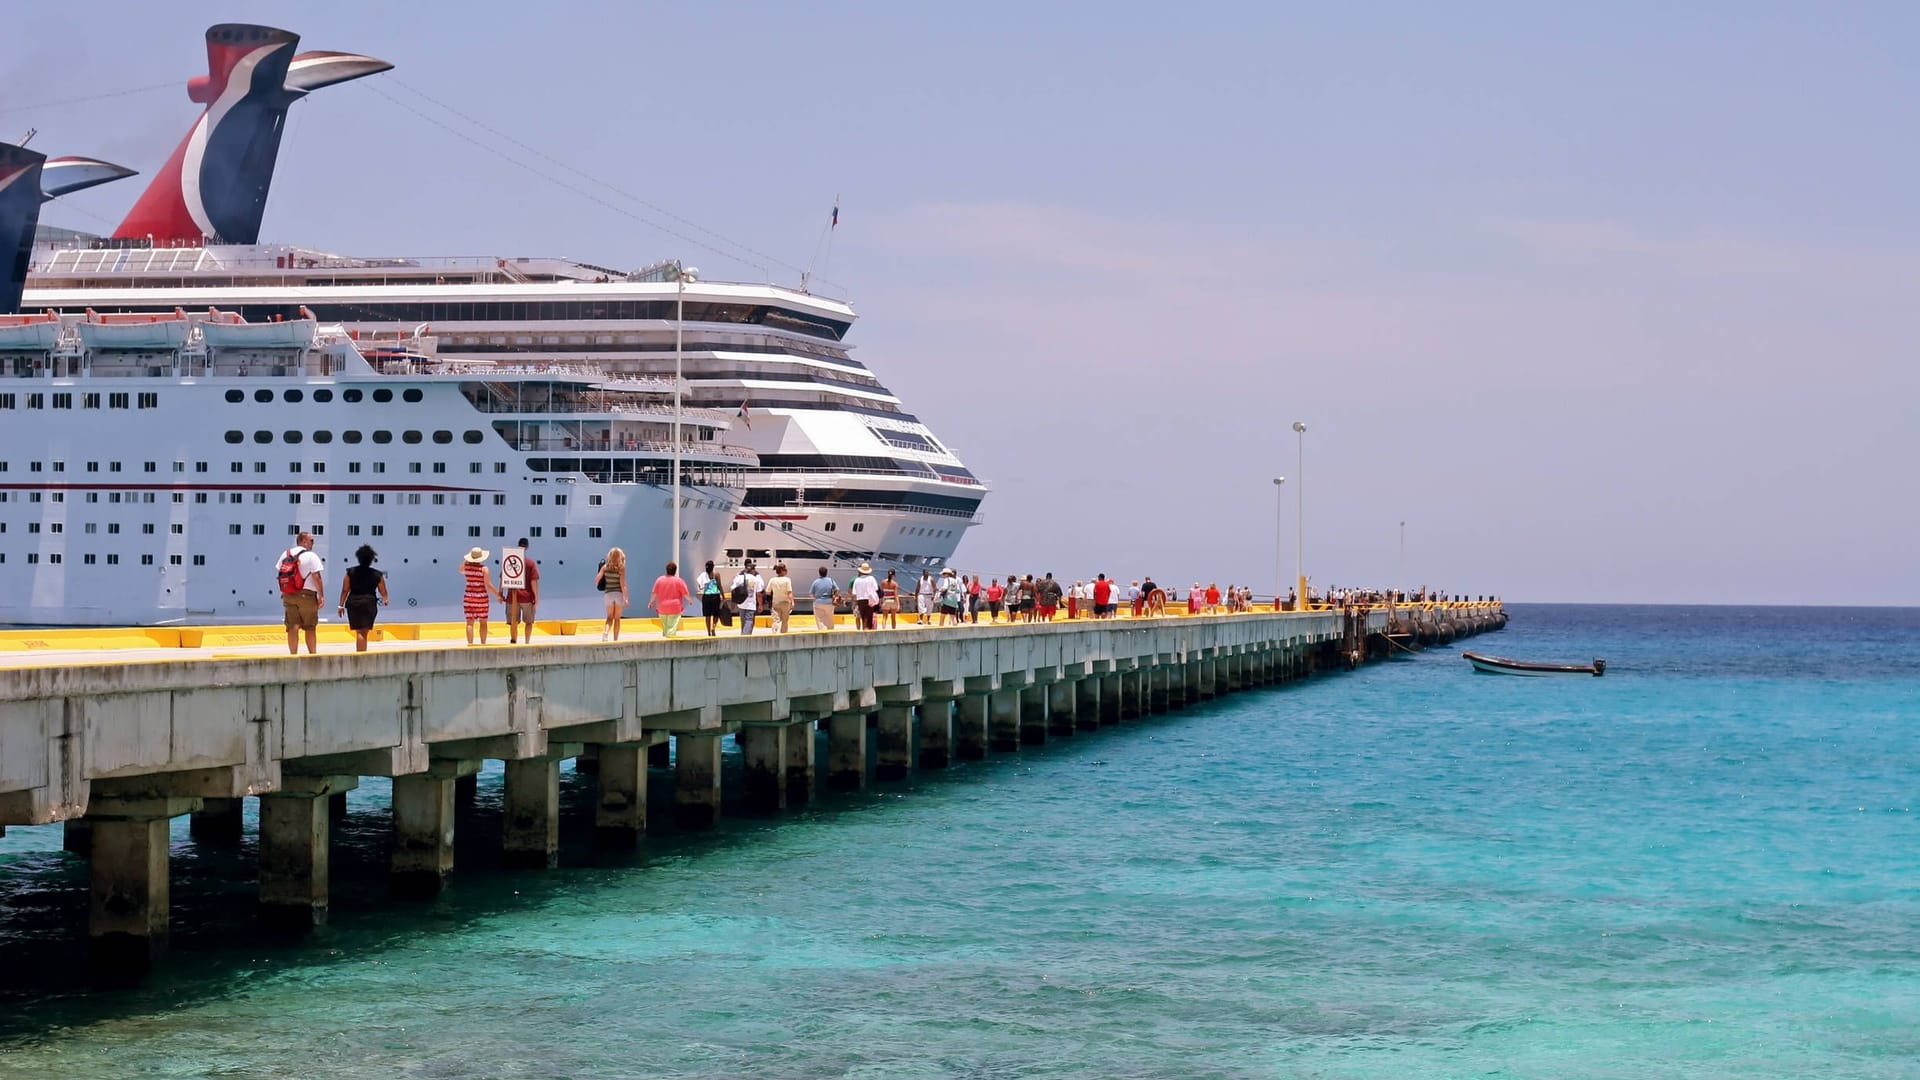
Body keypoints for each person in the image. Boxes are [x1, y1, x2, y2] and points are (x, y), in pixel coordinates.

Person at [277, 530, 325, 655]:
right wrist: (321, 595)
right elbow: (316, 577)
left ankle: (293, 655)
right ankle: (312, 655)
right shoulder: (311, 556)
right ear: (304, 541)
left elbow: (280, 572)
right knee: (310, 627)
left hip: (288, 594)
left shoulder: (286, 554)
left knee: (292, 627)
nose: (313, 543)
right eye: (311, 540)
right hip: (306, 595)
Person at [335, 544, 389, 653]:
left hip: (353, 602)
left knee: (359, 632)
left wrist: (341, 605)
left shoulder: (350, 572)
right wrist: (385, 598)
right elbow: (383, 590)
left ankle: (360, 654)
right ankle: (362, 656)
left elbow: (345, 590)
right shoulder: (377, 574)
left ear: (358, 558)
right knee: (364, 632)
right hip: (369, 603)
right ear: (371, 559)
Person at [460, 547, 499, 645]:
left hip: (468, 598)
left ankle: (470, 643)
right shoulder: (484, 569)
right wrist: (498, 595)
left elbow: (460, 569)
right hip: (481, 598)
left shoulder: (467, 568)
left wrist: (467, 559)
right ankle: (483, 643)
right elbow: (488, 585)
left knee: (470, 623)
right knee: (483, 622)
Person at [504, 537, 539, 644]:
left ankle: (514, 640)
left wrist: (500, 592)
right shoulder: (530, 563)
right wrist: (536, 597)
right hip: (527, 597)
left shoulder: (510, 560)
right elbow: (533, 582)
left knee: (513, 621)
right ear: (527, 547)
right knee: (529, 622)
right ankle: (527, 642)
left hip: (512, 596)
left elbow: (503, 578)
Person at [649, 560, 691, 638]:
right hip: (675, 608)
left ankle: (665, 642)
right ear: (675, 571)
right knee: (671, 628)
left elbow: (654, 593)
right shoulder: (679, 581)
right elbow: (685, 594)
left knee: (665, 629)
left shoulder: (659, 580)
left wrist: (651, 602)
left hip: (662, 608)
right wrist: (690, 601)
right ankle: (670, 644)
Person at [596, 546, 629, 640]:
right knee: (617, 619)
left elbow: (596, 579)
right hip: (618, 594)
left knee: (609, 617)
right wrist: (626, 598)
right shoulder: (621, 568)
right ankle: (615, 639)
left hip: (608, 594)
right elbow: (623, 585)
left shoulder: (605, 567)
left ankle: (605, 633)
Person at [730, 560, 764, 635]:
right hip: (751, 604)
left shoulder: (739, 577)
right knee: (749, 620)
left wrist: (733, 602)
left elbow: (733, 589)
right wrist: (760, 604)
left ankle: (744, 635)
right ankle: (745, 636)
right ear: (752, 570)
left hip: (741, 603)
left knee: (743, 621)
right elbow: (759, 593)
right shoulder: (756, 579)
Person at [695, 560, 723, 636]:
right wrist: (723, 597)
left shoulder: (703, 575)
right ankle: (713, 628)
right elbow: (719, 586)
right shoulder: (716, 575)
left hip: (707, 596)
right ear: (713, 567)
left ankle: (708, 632)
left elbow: (699, 585)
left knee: (707, 615)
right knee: (716, 614)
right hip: (715, 595)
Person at [851, 562, 880, 630]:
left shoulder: (857, 580)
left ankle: (864, 630)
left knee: (863, 618)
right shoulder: (871, 578)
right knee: (868, 619)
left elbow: (854, 593)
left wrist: (854, 604)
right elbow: (876, 588)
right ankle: (867, 632)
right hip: (869, 600)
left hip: (860, 600)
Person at [767, 562, 795, 633]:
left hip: (776, 602)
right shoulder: (787, 580)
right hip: (785, 603)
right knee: (785, 621)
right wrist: (792, 602)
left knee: (776, 620)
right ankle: (784, 634)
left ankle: (775, 633)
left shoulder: (772, 580)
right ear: (783, 571)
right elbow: (789, 592)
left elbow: (768, 591)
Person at [809, 566, 839, 630]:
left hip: (818, 602)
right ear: (826, 573)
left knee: (820, 620)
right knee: (830, 619)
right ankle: (830, 632)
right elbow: (837, 590)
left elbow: (811, 594)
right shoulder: (831, 580)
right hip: (829, 602)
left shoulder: (815, 582)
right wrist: (834, 597)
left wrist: (816, 598)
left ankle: (822, 633)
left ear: (819, 573)